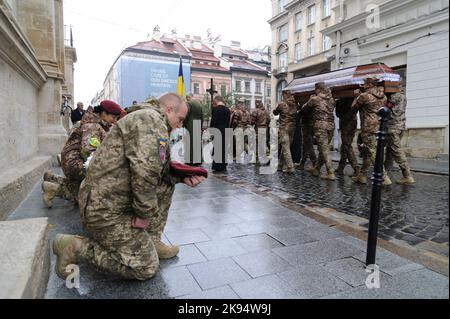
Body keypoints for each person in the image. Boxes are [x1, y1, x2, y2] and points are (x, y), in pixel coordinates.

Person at [51, 93, 206, 281]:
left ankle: (151, 240)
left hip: (112, 200)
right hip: (103, 209)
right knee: (145, 267)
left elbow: (156, 169)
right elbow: (145, 173)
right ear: (168, 110)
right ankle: (75, 246)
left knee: (166, 183)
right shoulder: (150, 120)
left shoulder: (151, 119)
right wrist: (143, 215)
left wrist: (181, 177)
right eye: (180, 119)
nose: (180, 125)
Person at [42, 100, 123, 207]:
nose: (115, 121)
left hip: (73, 161)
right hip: (75, 163)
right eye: (113, 117)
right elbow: (88, 153)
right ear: (104, 113)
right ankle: (56, 189)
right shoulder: (92, 126)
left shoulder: (99, 124)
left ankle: (52, 180)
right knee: (94, 196)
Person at [352, 77, 388, 184]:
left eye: (364, 83)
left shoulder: (364, 96)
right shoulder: (384, 96)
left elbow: (353, 108)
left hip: (368, 127)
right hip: (379, 126)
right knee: (368, 151)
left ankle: (384, 177)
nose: (363, 85)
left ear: (369, 84)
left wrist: (356, 97)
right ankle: (362, 175)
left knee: (372, 152)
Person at [301, 82, 336, 180]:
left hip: (320, 127)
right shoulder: (332, 100)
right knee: (323, 149)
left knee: (324, 150)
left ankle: (330, 172)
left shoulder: (315, 99)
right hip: (331, 126)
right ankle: (316, 169)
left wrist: (309, 100)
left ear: (318, 90)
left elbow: (304, 110)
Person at [384, 90, 415, 185]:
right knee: (390, 151)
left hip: (393, 127)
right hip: (401, 126)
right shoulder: (403, 96)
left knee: (397, 151)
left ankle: (407, 176)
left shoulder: (393, 97)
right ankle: (386, 174)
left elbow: (386, 109)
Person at [273, 91, 298, 174]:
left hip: (284, 128)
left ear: (285, 95)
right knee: (285, 147)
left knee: (286, 148)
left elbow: (275, 112)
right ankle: (280, 165)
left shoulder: (282, 104)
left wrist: (274, 110)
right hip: (292, 128)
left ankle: (290, 167)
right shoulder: (295, 104)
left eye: (283, 95)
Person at [335, 97, 360, 177]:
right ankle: (341, 167)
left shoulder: (340, 100)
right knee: (345, 145)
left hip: (345, 123)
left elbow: (338, 114)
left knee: (347, 145)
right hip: (352, 122)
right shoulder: (354, 99)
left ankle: (356, 169)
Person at [210, 95, 231, 173]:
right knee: (224, 148)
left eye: (214, 101)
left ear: (216, 100)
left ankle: (217, 166)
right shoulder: (227, 110)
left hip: (217, 130)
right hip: (225, 130)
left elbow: (213, 121)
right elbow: (229, 121)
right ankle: (223, 166)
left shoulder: (215, 109)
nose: (213, 102)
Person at [184, 94, 204, 166]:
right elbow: (202, 116)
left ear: (188, 97)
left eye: (187, 98)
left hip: (190, 125)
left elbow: (186, 114)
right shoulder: (199, 104)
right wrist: (201, 126)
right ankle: (199, 160)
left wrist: (184, 124)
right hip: (198, 124)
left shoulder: (188, 103)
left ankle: (190, 160)